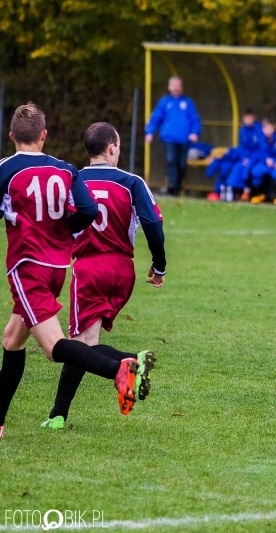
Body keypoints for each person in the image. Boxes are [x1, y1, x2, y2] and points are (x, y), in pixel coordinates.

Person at [0, 104, 155, 440]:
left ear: (11, 136)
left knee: (54, 347)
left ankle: (120, 367)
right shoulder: (66, 169)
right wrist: (62, 233)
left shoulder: (7, 169)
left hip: (29, 266)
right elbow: (88, 210)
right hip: (60, 267)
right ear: (44, 135)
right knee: (12, 340)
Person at [41, 122, 165, 430]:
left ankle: (128, 362)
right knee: (86, 343)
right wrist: (159, 265)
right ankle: (58, 414)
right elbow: (152, 223)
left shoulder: (73, 180)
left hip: (90, 267)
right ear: (111, 148)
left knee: (79, 345)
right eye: (119, 145)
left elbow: (57, 222)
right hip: (123, 270)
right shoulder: (132, 182)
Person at [145, 76, 202, 196]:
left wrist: (195, 132)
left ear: (181, 87)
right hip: (169, 138)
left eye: (178, 86)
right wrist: (150, 132)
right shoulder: (164, 102)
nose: (176, 88)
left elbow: (195, 119)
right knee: (171, 161)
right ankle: (172, 188)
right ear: (169, 87)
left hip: (184, 139)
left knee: (181, 164)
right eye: (174, 86)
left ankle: (178, 187)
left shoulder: (187, 103)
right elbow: (156, 118)